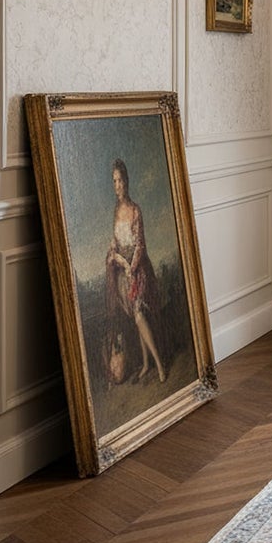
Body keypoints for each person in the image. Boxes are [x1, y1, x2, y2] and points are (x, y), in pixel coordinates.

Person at [105, 158, 166, 383]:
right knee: (137, 318)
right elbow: (115, 240)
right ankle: (147, 363)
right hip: (123, 273)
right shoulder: (115, 210)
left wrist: (131, 267)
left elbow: (140, 244)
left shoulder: (135, 209)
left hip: (137, 270)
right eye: (114, 181)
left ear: (127, 181)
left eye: (120, 180)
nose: (118, 185)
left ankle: (159, 365)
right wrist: (114, 253)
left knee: (140, 314)